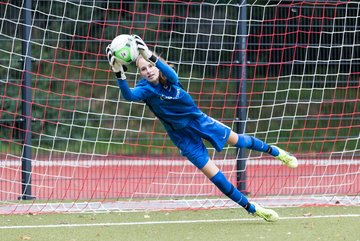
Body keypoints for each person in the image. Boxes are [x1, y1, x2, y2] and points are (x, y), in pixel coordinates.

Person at [106, 35, 298, 222]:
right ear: (139, 73)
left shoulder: (170, 79)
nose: (148, 70)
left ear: (156, 65)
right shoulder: (145, 89)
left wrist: (149, 54)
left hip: (200, 122)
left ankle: (277, 152)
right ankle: (253, 208)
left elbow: (172, 75)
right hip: (183, 138)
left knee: (239, 141)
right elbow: (129, 96)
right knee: (215, 176)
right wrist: (119, 74)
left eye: (150, 65)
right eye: (142, 69)